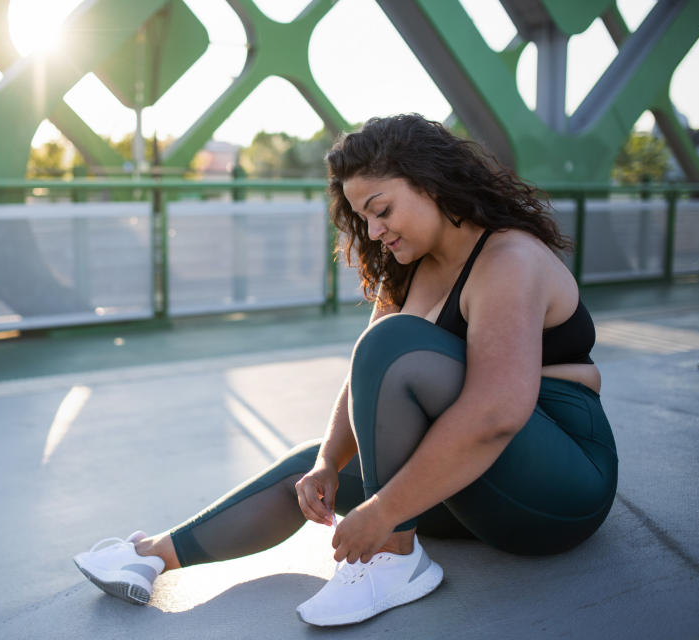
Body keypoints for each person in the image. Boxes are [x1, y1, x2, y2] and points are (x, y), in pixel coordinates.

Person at [72, 114, 618, 627]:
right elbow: (367, 379)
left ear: (433, 184)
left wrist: (385, 512)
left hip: (559, 487)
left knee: (394, 341)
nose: (374, 230)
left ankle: (393, 560)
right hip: (475, 484)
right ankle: (151, 556)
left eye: (383, 210)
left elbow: (497, 412)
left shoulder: (509, 258)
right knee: (308, 474)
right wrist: (328, 462)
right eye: (363, 218)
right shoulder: (406, 270)